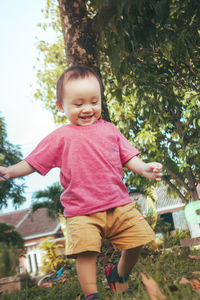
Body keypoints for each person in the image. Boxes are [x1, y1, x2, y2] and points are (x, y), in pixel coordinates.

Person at [0, 65, 163, 300]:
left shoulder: (110, 130)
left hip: (119, 205)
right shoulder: (60, 137)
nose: (87, 109)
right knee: (86, 253)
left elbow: (128, 157)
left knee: (138, 240)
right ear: (61, 106)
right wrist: (10, 171)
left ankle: (118, 275)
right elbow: (34, 162)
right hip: (82, 212)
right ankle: (91, 294)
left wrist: (144, 168)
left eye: (94, 102)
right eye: (78, 104)